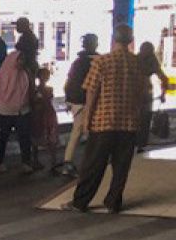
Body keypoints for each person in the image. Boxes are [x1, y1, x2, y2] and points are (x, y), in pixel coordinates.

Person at [67, 25, 148, 213]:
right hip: (128, 123)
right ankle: (114, 202)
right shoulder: (138, 64)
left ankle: (81, 202)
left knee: (93, 164)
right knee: (121, 166)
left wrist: (87, 118)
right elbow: (142, 93)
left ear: (113, 39)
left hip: (103, 122)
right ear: (131, 40)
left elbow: (92, 91)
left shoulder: (102, 62)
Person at [0, 49, 35, 173]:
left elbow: (29, 90)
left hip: (22, 110)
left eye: (22, 60)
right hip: (4, 111)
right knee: (2, 138)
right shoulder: (2, 75)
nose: (21, 62)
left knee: (25, 138)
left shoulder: (25, 74)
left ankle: (26, 162)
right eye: (19, 59)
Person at [60, 33, 99, 176]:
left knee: (78, 131)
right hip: (87, 102)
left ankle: (70, 162)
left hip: (75, 101)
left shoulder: (77, 62)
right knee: (84, 132)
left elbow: (68, 83)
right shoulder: (97, 61)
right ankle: (71, 163)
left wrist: (68, 100)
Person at [136, 41, 170, 151]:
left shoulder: (134, 59)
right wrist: (163, 94)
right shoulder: (152, 61)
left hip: (133, 93)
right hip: (146, 93)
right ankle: (141, 143)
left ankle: (133, 142)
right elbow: (164, 78)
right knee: (145, 119)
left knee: (135, 118)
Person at [31, 66, 60, 172]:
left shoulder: (36, 90)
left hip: (40, 114)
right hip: (47, 114)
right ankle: (53, 162)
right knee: (50, 138)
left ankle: (37, 160)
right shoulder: (48, 89)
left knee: (39, 136)